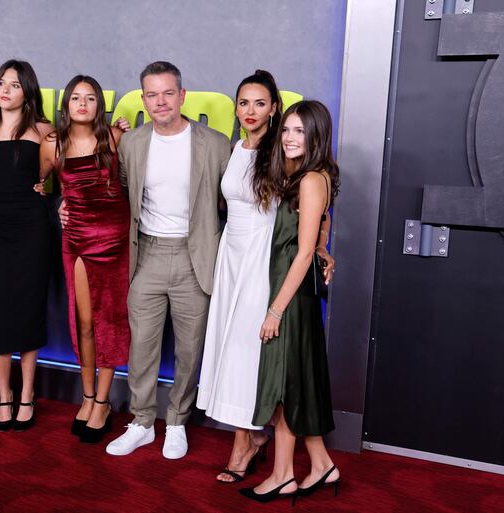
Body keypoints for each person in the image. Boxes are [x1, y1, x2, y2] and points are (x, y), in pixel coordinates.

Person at [197, 71, 336, 483]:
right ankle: (259, 442)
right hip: (231, 254)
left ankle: (247, 442)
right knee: (230, 347)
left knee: (250, 352)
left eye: (260, 103)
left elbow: (313, 203)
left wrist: (322, 247)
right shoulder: (233, 147)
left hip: (264, 258)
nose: (250, 111)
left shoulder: (284, 148)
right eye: (243, 103)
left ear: (274, 107)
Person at [102, 61, 231, 459]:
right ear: (143, 100)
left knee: (190, 349)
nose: (160, 101)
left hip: (196, 257)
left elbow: (233, 204)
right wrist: (67, 210)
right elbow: (118, 195)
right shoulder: (133, 143)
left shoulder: (215, 143)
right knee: (141, 346)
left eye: (167, 92)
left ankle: (177, 421)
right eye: (152, 94)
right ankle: (141, 421)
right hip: (148, 254)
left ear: (182, 96)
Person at [241, 100, 341, 504]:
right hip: (290, 293)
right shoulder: (304, 176)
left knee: (283, 388)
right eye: (286, 130)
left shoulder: (311, 180)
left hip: (292, 300)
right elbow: (320, 225)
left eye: (300, 131)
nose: (289, 138)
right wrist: (324, 248)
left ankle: (283, 475)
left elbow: (300, 255)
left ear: (316, 135)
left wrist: (275, 310)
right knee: (295, 382)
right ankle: (322, 466)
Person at [39, 75, 130, 444]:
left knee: (110, 319)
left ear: (98, 105)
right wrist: (57, 206)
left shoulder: (113, 136)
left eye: (90, 98)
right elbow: (34, 186)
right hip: (76, 237)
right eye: (75, 97)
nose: (82, 103)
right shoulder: (52, 144)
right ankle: (88, 395)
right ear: (66, 105)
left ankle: (104, 402)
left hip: (114, 238)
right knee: (85, 321)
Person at [0, 60, 54, 432]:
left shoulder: (43, 130)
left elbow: (67, 172)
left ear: (28, 91)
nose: (5, 90)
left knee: (28, 309)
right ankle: (3, 395)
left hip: (31, 229)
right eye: (1, 83)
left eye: (15, 85)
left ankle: (27, 394)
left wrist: (46, 187)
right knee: (1, 310)